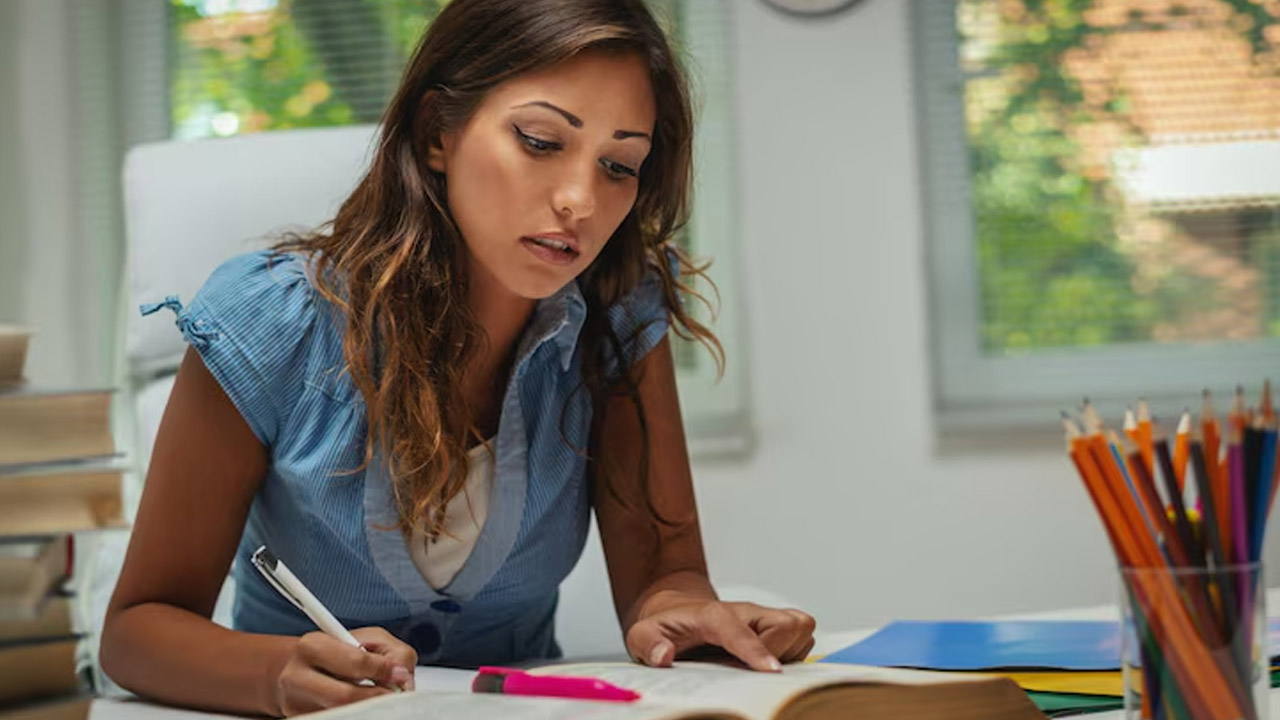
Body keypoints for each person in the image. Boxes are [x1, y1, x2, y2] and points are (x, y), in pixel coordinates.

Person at [100, 0, 816, 716]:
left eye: (619, 165)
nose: (581, 200)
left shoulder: (618, 318)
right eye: (540, 140)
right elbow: (137, 631)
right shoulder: (268, 323)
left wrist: (681, 613)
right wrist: (276, 671)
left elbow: (667, 576)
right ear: (436, 131)